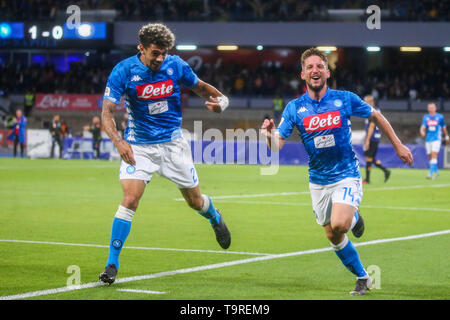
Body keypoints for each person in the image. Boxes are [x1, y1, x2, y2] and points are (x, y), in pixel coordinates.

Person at [261, 48, 413, 295]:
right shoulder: (294, 108)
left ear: (327, 72)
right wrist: (268, 135)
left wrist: (397, 144)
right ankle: (363, 277)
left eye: (319, 66)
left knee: (340, 223)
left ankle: (353, 217)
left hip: (346, 173)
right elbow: (277, 146)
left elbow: (376, 115)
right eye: (309, 67)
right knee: (332, 234)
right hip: (318, 181)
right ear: (302, 74)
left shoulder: (345, 99)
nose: (315, 71)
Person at [99, 23, 231, 285]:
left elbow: (203, 88)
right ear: (142, 48)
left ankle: (214, 215)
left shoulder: (176, 65)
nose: (160, 58)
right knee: (130, 199)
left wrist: (222, 103)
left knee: (195, 202)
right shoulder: (123, 70)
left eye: (164, 53)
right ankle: (111, 264)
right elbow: (107, 112)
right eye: (155, 53)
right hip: (139, 147)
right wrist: (119, 143)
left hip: (173, 146)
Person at [362, 95, 391, 184]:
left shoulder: (372, 111)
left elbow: (372, 125)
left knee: (369, 158)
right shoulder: (376, 110)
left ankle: (367, 179)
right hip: (376, 137)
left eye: (365, 102)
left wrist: (367, 140)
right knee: (371, 157)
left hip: (373, 138)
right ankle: (385, 171)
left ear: (370, 102)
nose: (363, 103)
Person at [420, 102, 449, 179]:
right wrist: (422, 131)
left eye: (432, 107)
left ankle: (430, 173)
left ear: (435, 108)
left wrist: (446, 136)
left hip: (437, 139)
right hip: (428, 139)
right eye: (429, 107)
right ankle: (436, 171)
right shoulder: (426, 117)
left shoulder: (440, 117)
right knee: (430, 157)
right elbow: (423, 127)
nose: (430, 109)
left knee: (434, 155)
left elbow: (444, 128)